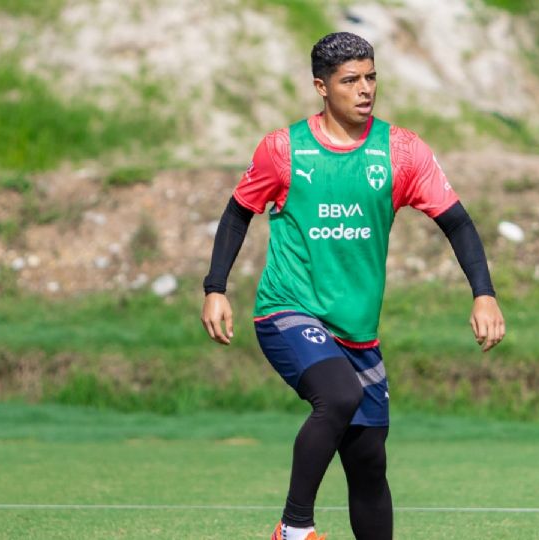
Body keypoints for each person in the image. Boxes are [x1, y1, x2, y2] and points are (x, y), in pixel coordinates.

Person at [201, 31, 505, 540]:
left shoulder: (402, 151)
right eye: (350, 80)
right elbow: (237, 213)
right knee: (337, 396)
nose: (365, 89)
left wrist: (484, 292)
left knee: (368, 465)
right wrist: (216, 287)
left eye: (371, 77)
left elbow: (457, 222)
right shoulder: (283, 150)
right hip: (287, 311)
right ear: (322, 86)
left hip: (358, 331)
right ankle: (294, 528)